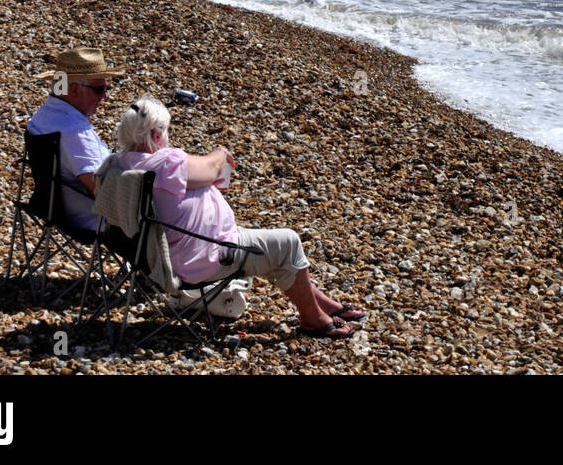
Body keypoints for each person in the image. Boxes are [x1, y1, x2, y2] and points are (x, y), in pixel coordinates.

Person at [112, 95, 363, 339]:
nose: (168, 138)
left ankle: (324, 305)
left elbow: (189, 182)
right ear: (156, 135)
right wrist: (221, 153)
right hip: (204, 258)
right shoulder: (165, 162)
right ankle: (313, 319)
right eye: (167, 132)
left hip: (161, 256)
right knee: (288, 242)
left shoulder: (122, 164)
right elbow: (210, 169)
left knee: (268, 244)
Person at [28, 47, 124, 232]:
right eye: (100, 89)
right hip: (94, 220)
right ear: (73, 90)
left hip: (53, 209)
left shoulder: (41, 118)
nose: (105, 96)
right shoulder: (74, 131)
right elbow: (103, 192)